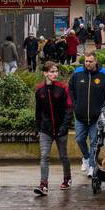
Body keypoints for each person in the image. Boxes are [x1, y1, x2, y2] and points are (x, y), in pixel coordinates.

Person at [68, 52, 105, 177]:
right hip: (80, 115)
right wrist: (75, 104)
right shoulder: (77, 73)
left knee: (94, 142)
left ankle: (92, 167)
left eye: (90, 61)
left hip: (96, 117)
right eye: (86, 61)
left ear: (95, 61)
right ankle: (86, 158)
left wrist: (103, 108)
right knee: (79, 139)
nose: (88, 63)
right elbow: (70, 88)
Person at [34, 61, 73, 195]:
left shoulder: (63, 88)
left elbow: (69, 109)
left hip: (61, 129)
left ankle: (67, 179)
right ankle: (43, 185)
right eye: (51, 72)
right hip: (46, 130)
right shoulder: (39, 90)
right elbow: (38, 111)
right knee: (44, 156)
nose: (54, 74)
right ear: (45, 73)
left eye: (56, 71)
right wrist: (37, 127)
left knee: (63, 156)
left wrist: (64, 126)